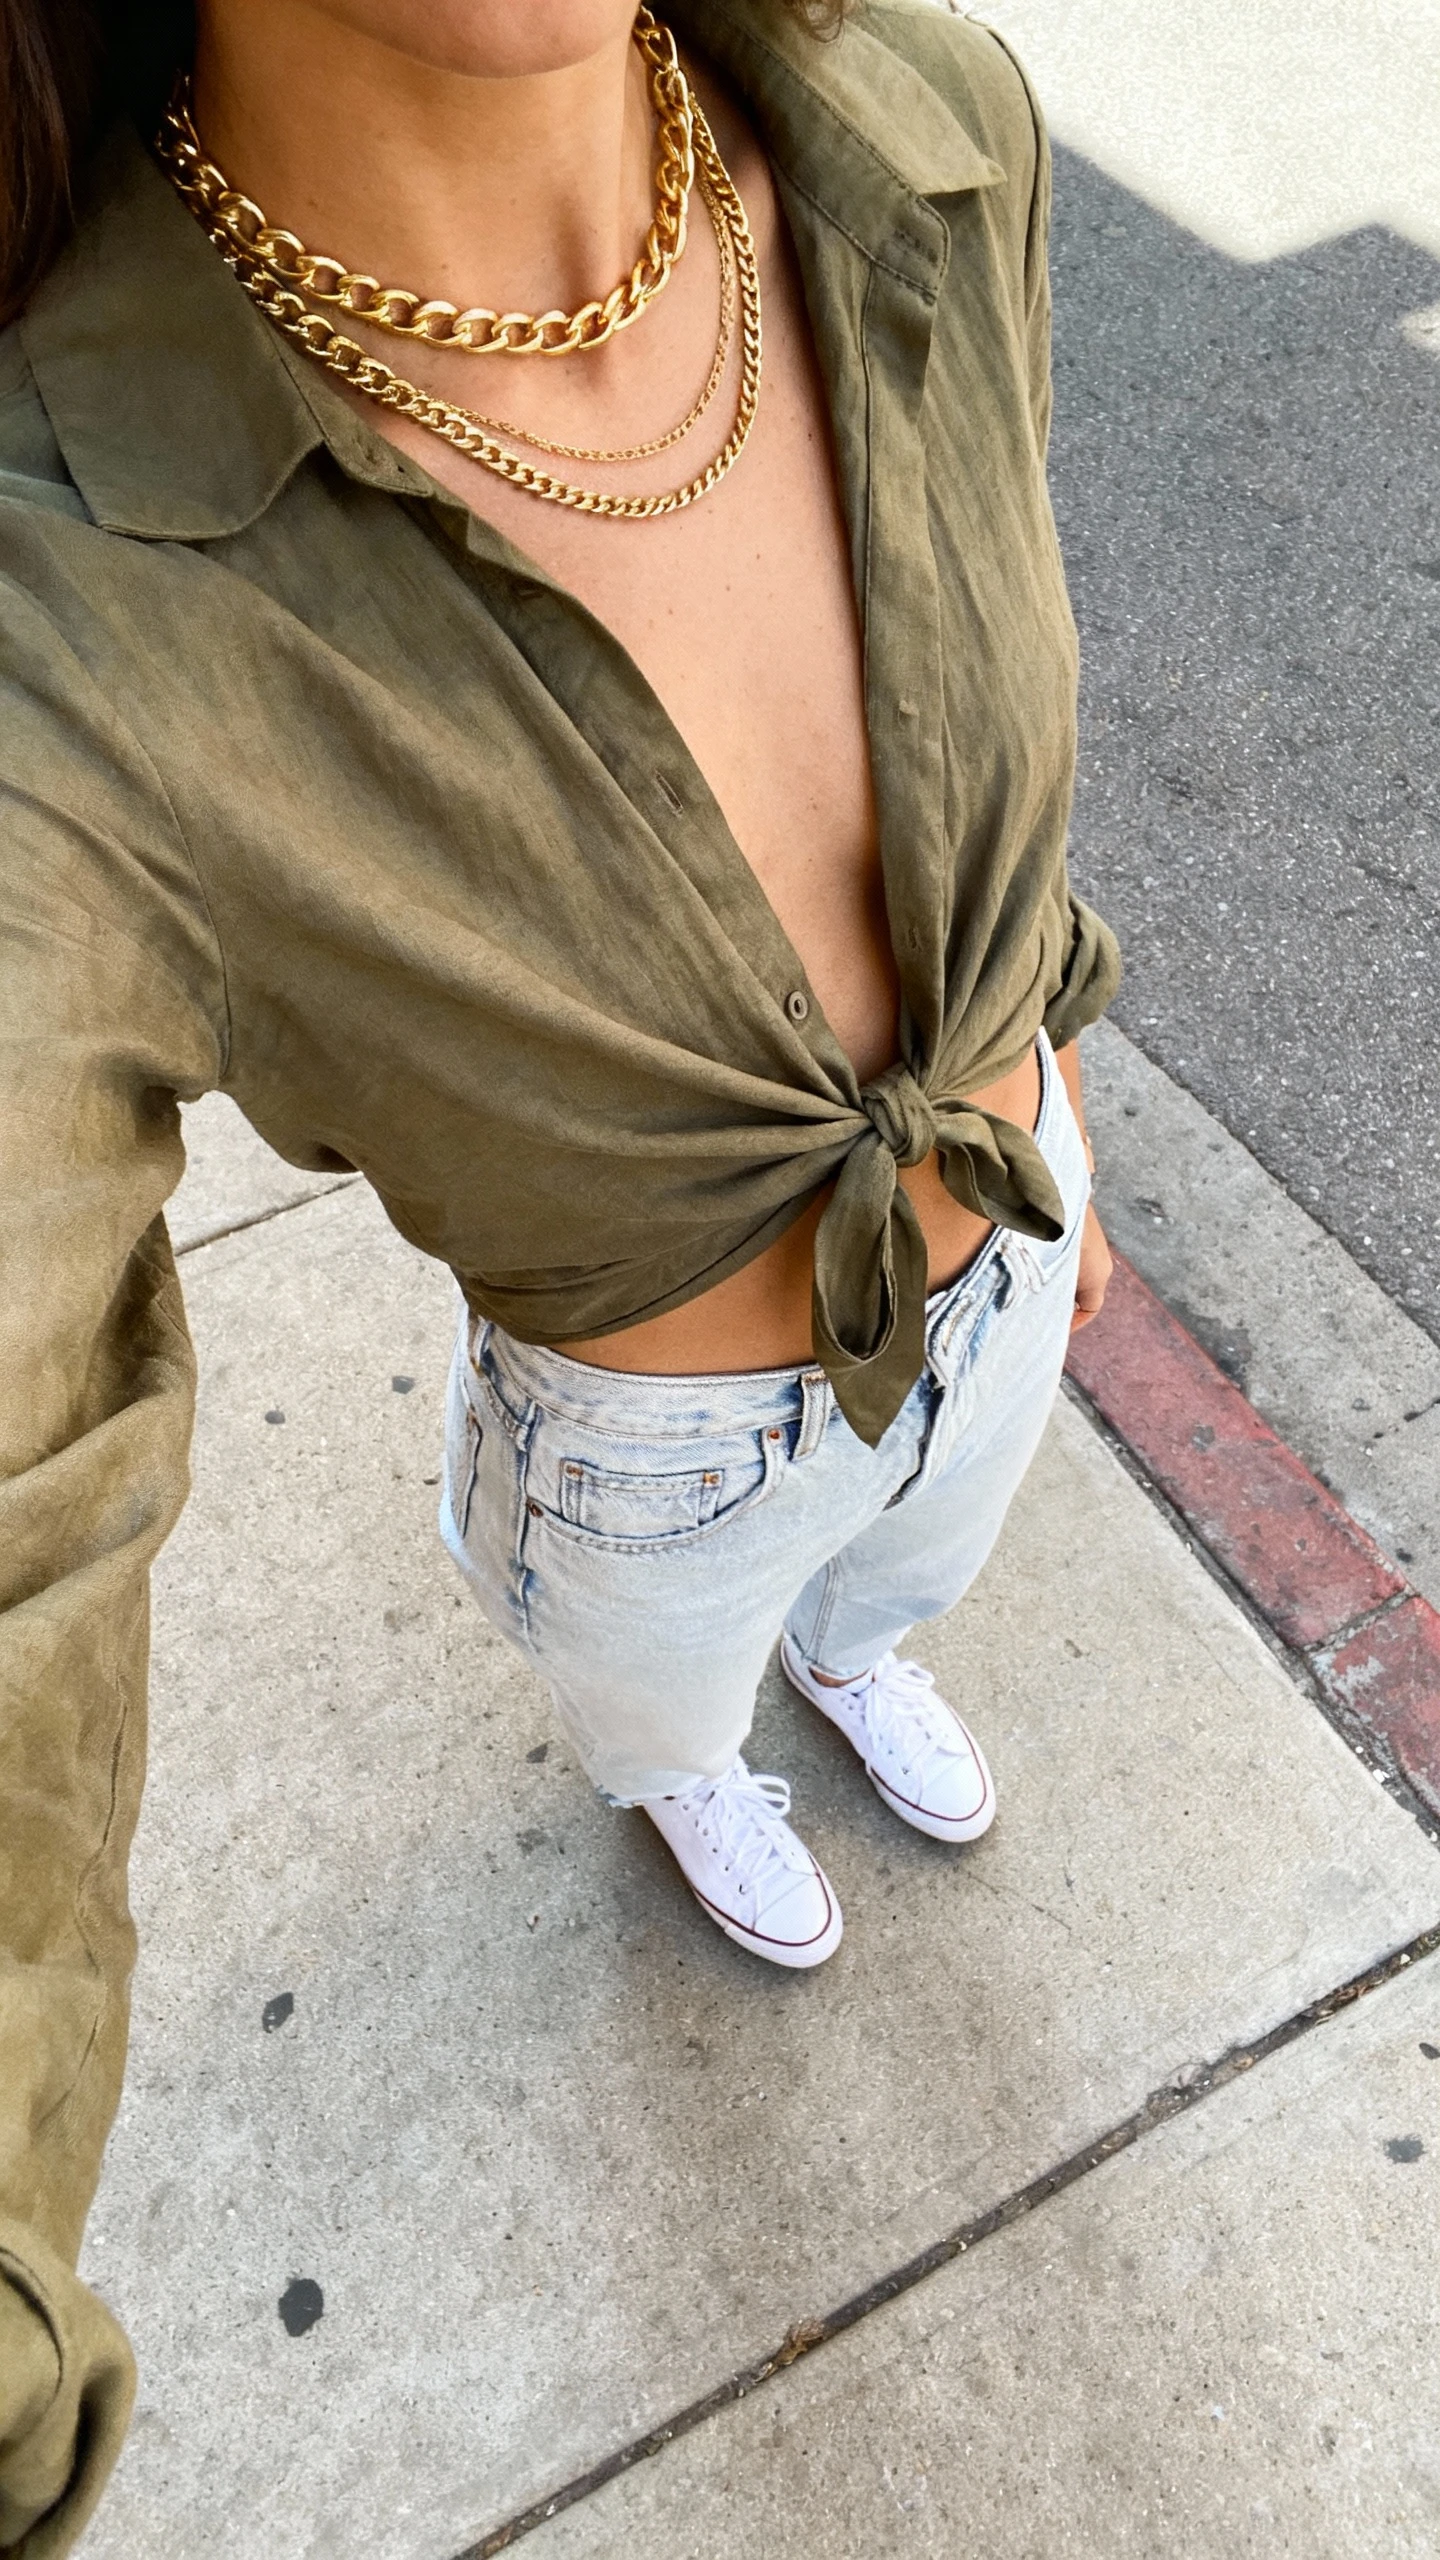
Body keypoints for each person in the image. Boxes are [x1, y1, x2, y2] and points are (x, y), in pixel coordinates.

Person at [0, 0, 1120, 2541]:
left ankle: (851, 1650)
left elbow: (1008, 739)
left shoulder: (925, 129)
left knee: (899, 1579)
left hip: (1017, 1240)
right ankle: (689, 1767)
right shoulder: (64, 604)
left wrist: (1046, 1054)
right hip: (660, 1460)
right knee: (674, 1687)